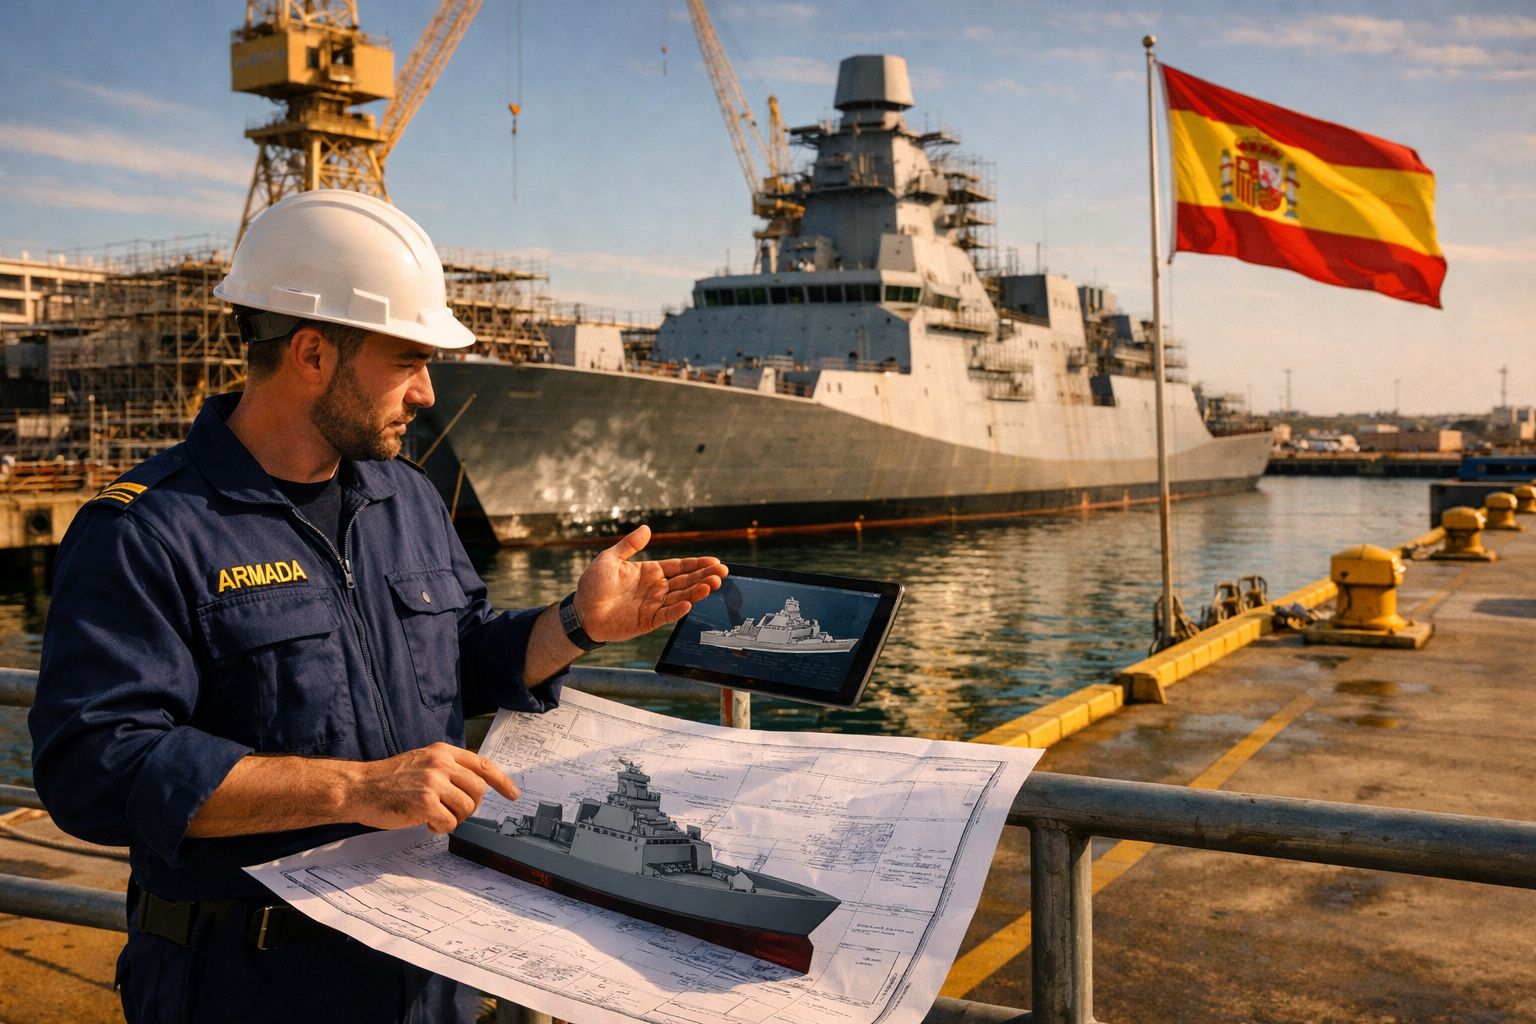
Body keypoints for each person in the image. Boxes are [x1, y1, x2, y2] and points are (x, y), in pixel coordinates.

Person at [28, 189, 728, 1023]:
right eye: (407, 360)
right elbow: (95, 768)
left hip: (425, 975)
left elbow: (461, 655)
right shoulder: (147, 532)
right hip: (246, 987)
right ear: (314, 354)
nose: (429, 393)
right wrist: (354, 789)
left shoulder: (406, 498)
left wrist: (576, 625)